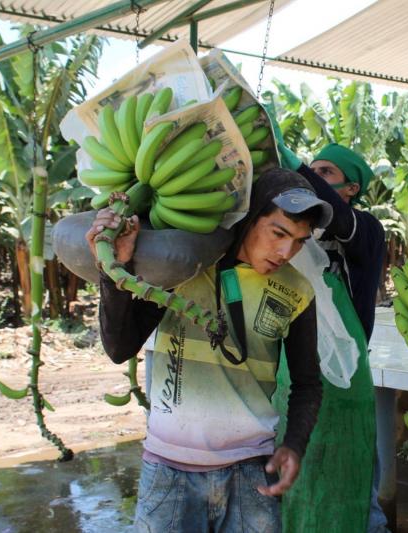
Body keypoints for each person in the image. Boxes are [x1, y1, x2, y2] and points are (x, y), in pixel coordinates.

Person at [85, 168, 333, 532]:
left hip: (252, 472)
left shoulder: (297, 292)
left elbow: (308, 383)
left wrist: (294, 445)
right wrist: (114, 272)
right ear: (250, 218)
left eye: (298, 241)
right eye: (278, 233)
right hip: (169, 471)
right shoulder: (183, 266)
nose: (286, 251)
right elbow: (119, 347)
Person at [275, 140, 389, 532]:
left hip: (345, 386)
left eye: (327, 173)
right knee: (295, 486)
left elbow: (336, 216)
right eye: (315, 170)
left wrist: (297, 167)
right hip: (292, 381)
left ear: (351, 188)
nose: (317, 179)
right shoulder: (290, 241)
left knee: (355, 487)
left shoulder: (367, 232)